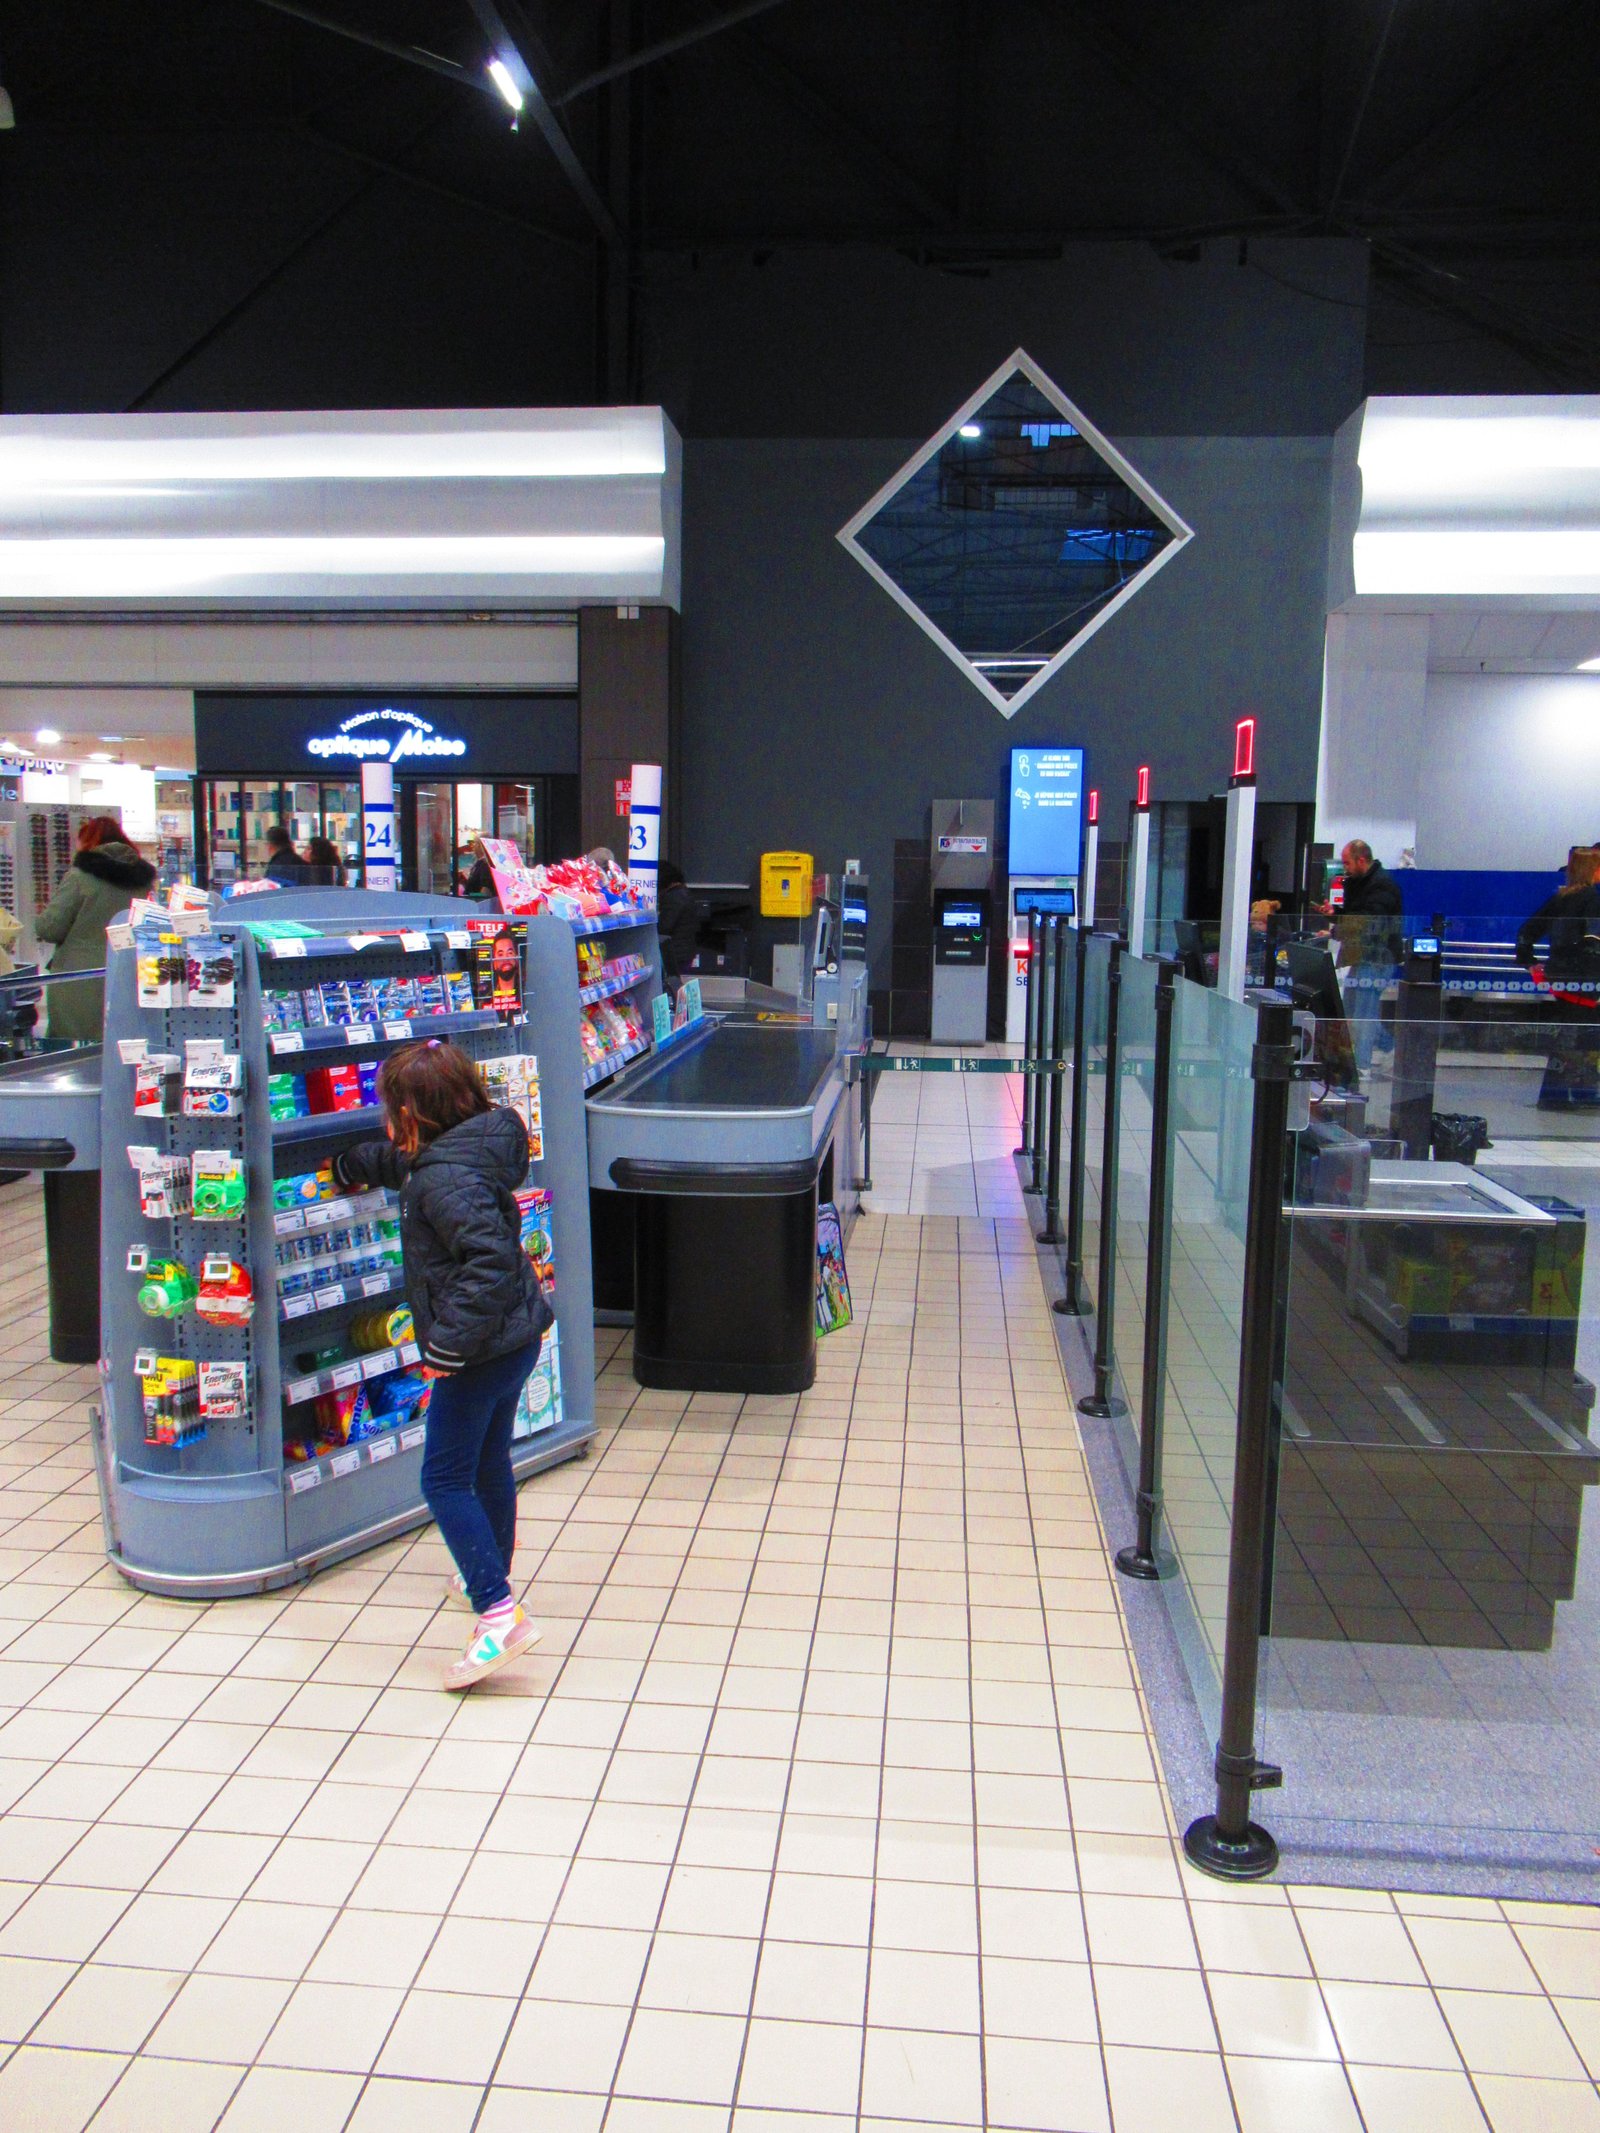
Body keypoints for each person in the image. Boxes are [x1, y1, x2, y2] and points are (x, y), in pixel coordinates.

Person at [333, 1040, 553, 1689]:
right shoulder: (473, 1145)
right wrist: (352, 1163)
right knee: (488, 1462)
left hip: (477, 1350)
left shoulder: (440, 1176)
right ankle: (491, 1572)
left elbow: (484, 1259)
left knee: (445, 1477)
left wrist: (446, 1347)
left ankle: (497, 1613)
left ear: (409, 1111)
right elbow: (408, 1165)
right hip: (517, 1336)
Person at [34, 815, 156, 1044]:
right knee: (123, 1044)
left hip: (79, 979)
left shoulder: (80, 877)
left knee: (74, 1051)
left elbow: (50, 928)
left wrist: (41, 917)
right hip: (131, 970)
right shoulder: (144, 881)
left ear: (89, 843)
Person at [1516, 847, 1600, 1109]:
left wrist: (1531, 963)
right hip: (1586, 980)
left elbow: (1526, 932)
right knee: (1585, 1036)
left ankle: (1557, 1093)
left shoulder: (1560, 898)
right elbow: (1593, 943)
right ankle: (1575, 1092)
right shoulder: (1592, 899)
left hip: (1561, 978)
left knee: (1568, 1035)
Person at [1325, 840, 1403, 1070]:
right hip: (1360, 956)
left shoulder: (1383, 887)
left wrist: (1335, 930)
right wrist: (1334, 915)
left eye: (1348, 863)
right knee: (1352, 1011)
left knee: (1363, 1015)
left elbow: (1367, 922)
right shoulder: (1357, 883)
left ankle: (1362, 1067)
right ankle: (1390, 1047)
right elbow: (1352, 916)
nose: (1345, 868)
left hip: (1377, 958)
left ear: (1361, 860)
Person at [655, 862, 703, 992]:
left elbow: (664, 927)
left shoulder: (673, 897)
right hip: (686, 950)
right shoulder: (684, 893)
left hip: (675, 952)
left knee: (671, 985)